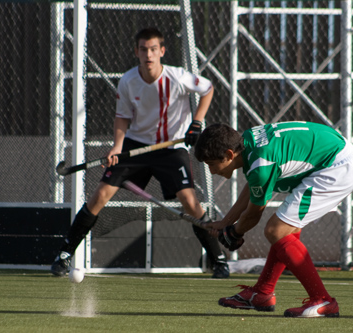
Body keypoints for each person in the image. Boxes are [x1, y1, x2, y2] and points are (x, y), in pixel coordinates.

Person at [51, 27, 230, 279]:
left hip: (171, 149)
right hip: (135, 147)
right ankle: (64, 255)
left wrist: (197, 123)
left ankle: (218, 260)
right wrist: (116, 146)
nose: (148, 54)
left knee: (190, 202)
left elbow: (208, 89)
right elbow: (122, 117)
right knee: (100, 195)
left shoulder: (177, 77)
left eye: (154, 49)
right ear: (136, 52)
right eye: (144, 49)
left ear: (162, 51)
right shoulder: (127, 80)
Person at [194, 121, 353, 317]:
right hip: (332, 154)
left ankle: (323, 300)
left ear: (230, 154)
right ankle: (262, 293)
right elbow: (254, 186)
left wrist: (235, 233)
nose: (212, 171)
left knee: (276, 230)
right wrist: (225, 223)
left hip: (336, 167)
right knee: (286, 230)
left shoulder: (261, 163)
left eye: (212, 164)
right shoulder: (248, 141)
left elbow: (253, 213)